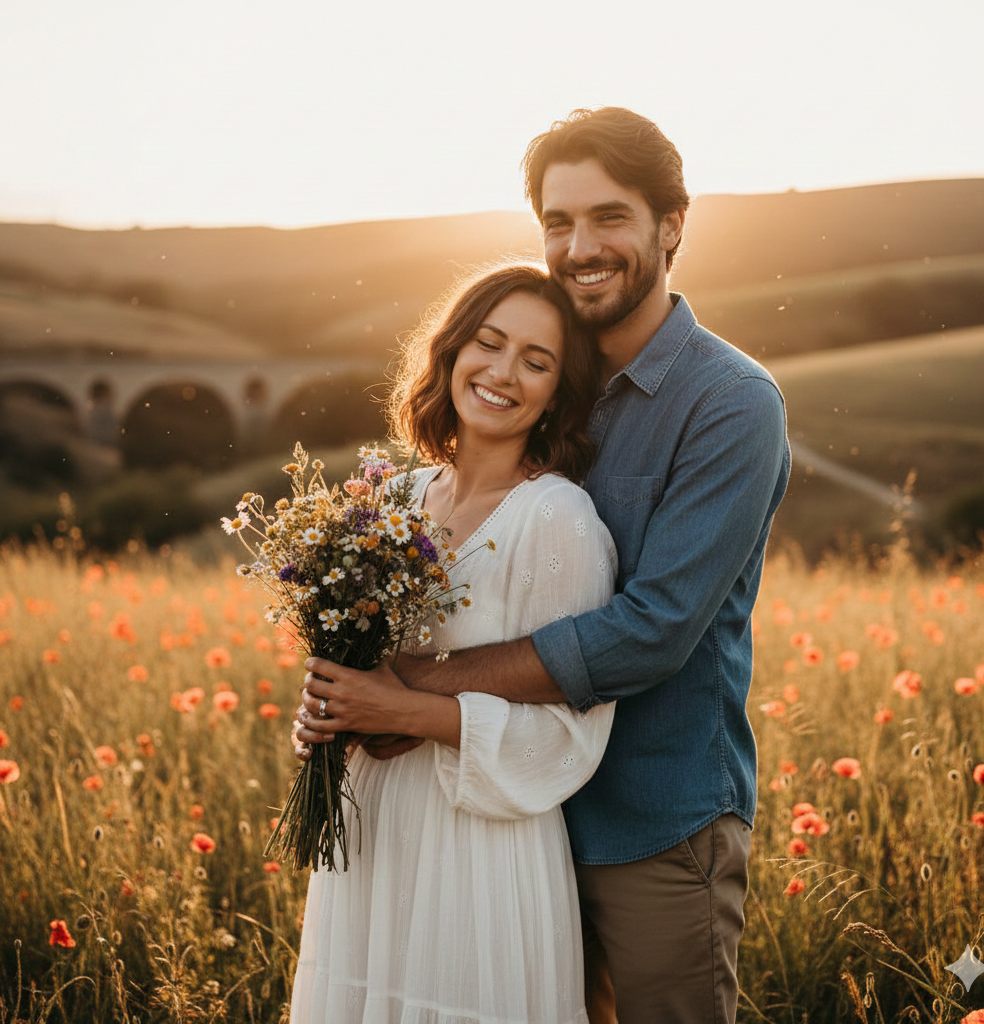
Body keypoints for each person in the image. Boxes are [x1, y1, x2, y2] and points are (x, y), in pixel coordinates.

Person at [298, 107, 791, 1024]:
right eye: (558, 222)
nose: (580, 246)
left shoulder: (729, 403)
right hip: (503, 824)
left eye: (609, 217)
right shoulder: (546, 385)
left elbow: (652, 631)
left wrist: (413, 691)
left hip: (652, 818)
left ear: (671, 225)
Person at [289, 263, 619, 1024]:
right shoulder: (397, 500)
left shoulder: (557, 520)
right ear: (453, 351)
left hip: (480, 849)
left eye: (536, 362)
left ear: (557, 393)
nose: (503, 372)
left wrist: (404, 712)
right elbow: (354, 660)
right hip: (373, 834)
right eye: (489, 343)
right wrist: (326, 709)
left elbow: (574, 732)